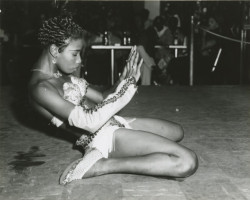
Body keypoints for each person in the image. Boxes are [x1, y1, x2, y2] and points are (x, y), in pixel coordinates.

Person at [28, 16, 198, 185]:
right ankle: (102, 164)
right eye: (75, 54)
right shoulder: (41, 88)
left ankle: (127, 148)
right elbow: (89, 122)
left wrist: (122, 81)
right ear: (54, 50)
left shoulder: (60, 73)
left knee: (177, 132)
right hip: (101, 138)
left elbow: (102, 97)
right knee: (187, 161)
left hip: (113, 122)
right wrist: (125, 91)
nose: (79, 60)